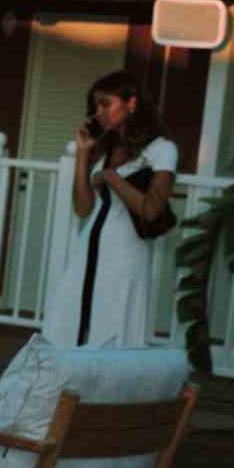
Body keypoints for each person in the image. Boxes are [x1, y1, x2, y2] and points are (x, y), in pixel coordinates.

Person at [45, 69, 179, 347]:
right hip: (88, 250)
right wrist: (84, 154)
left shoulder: (162, 149)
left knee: (112, 331)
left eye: (106, 104)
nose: (98, 112)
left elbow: (151, 210)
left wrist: (110, 177)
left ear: (131, 103)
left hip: (124, 256)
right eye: (96, 106)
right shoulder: (106, 148)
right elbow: (83, 208)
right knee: (67, 322)